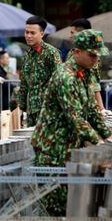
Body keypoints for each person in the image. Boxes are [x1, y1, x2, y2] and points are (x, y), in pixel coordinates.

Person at [31, 29, 111, 216]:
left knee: (74, 205)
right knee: (57, 208)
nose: (96, 60)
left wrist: (108, 135)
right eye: (92, 55)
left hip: (69, 147)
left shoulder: (86, 73)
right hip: (52, 150)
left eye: (98, 56)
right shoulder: (65, 77)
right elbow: (75, 117)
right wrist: (99, 142)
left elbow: (91, 110)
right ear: (76, 52)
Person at [17, 16, 62, 126]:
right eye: (26, 32)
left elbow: (59, 82)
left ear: (41, 34)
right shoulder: (27, 55)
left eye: (32, 33)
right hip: (31, 112)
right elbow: (23, 85)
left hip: (48, 112)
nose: (28, 36)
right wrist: (20, 109)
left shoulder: (51, 53)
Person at [65, 18, 111, 115]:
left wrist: (101, 108)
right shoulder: (72, 54)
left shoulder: (89, 56)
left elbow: (94, 84)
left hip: (86, 105)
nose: (70, 36)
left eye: (72, 32)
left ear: (82, 34)